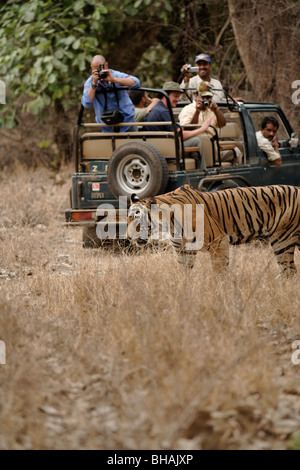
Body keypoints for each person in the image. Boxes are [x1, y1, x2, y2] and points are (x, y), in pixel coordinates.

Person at [144, 81, 213, 169]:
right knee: (196, 141)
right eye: (175, 96)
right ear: (165, 95)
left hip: (159, 144)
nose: (178, 99)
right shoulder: (162, 111)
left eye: (178, 96)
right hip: (161, 147)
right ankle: (203, 172)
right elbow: (180, 135)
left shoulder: (159, 108)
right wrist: (201, 129)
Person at [179, 82, 243, 165]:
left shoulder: (211, 110)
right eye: (203, 97)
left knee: (237, 151)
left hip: (213, 148)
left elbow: (222, 124)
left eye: (208, 97)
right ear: (196, 95)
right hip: (198, 149)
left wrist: (216, 111)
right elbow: (186, 129)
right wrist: (197, 112)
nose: (206, 99)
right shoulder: (188, 109)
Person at [81, 55, 140, 132]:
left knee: (135, 144)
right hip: (107, 126)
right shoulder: (90, 82)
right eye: (95, 70)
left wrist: (114, 80)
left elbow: (136, 82)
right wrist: (94, 84)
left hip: (126, 123)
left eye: (100, 69)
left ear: (106, 65)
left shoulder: (115, 74)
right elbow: (86, 103)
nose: (98, 72)